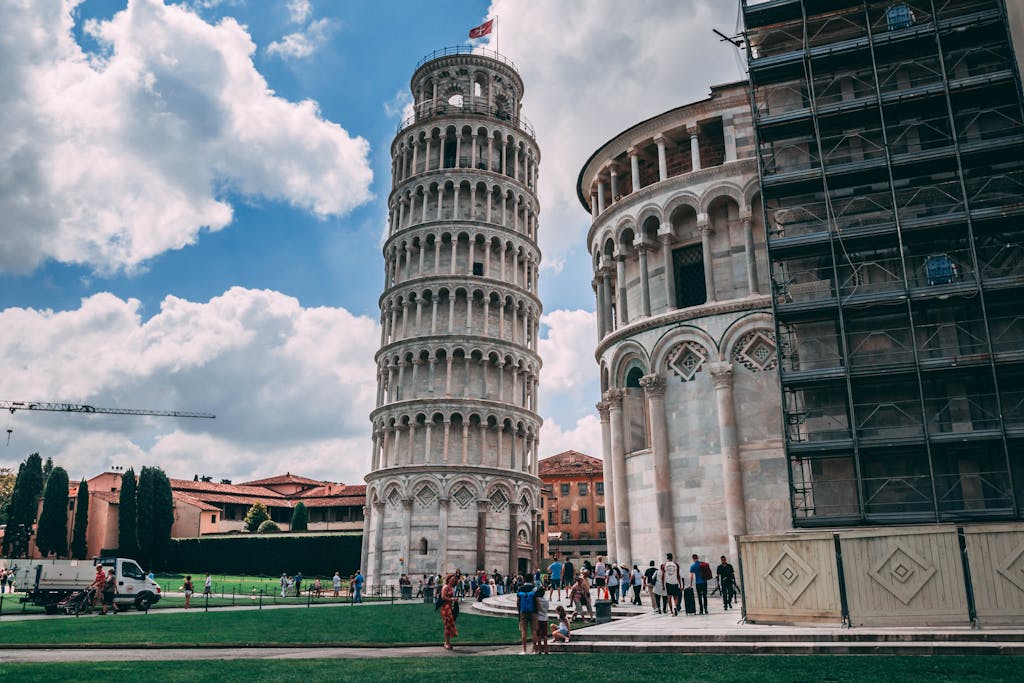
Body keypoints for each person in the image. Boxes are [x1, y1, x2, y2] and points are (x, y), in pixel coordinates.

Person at [516, 582, 537, 655]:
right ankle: (534, 650)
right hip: (533, 611)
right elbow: (537, 600)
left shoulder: (521, 589)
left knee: (524, 631)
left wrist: (519, 610)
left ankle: (524, 650)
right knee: (534, 630)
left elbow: (518, 602)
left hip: (523, 611)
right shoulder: (534, 589)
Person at [439, 574, 458, 650]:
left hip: (449, 607)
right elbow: (443, 597)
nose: (453, 580)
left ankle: (448, 642)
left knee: (449, 625)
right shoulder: (446, 587)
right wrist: (452, 599)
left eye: (454, 579)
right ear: (449, 579)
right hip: (445, 608)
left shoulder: (450, 587)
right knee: (447, 625)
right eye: (452, 579)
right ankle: (446, 643)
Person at [534, 586, 549, 654]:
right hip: (545, 618)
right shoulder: (546, 601)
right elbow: (547, 608)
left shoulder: (536, 600)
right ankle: (546, 649)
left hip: (538, 618)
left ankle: (540, 649)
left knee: (539, 635)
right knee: (545, 634)